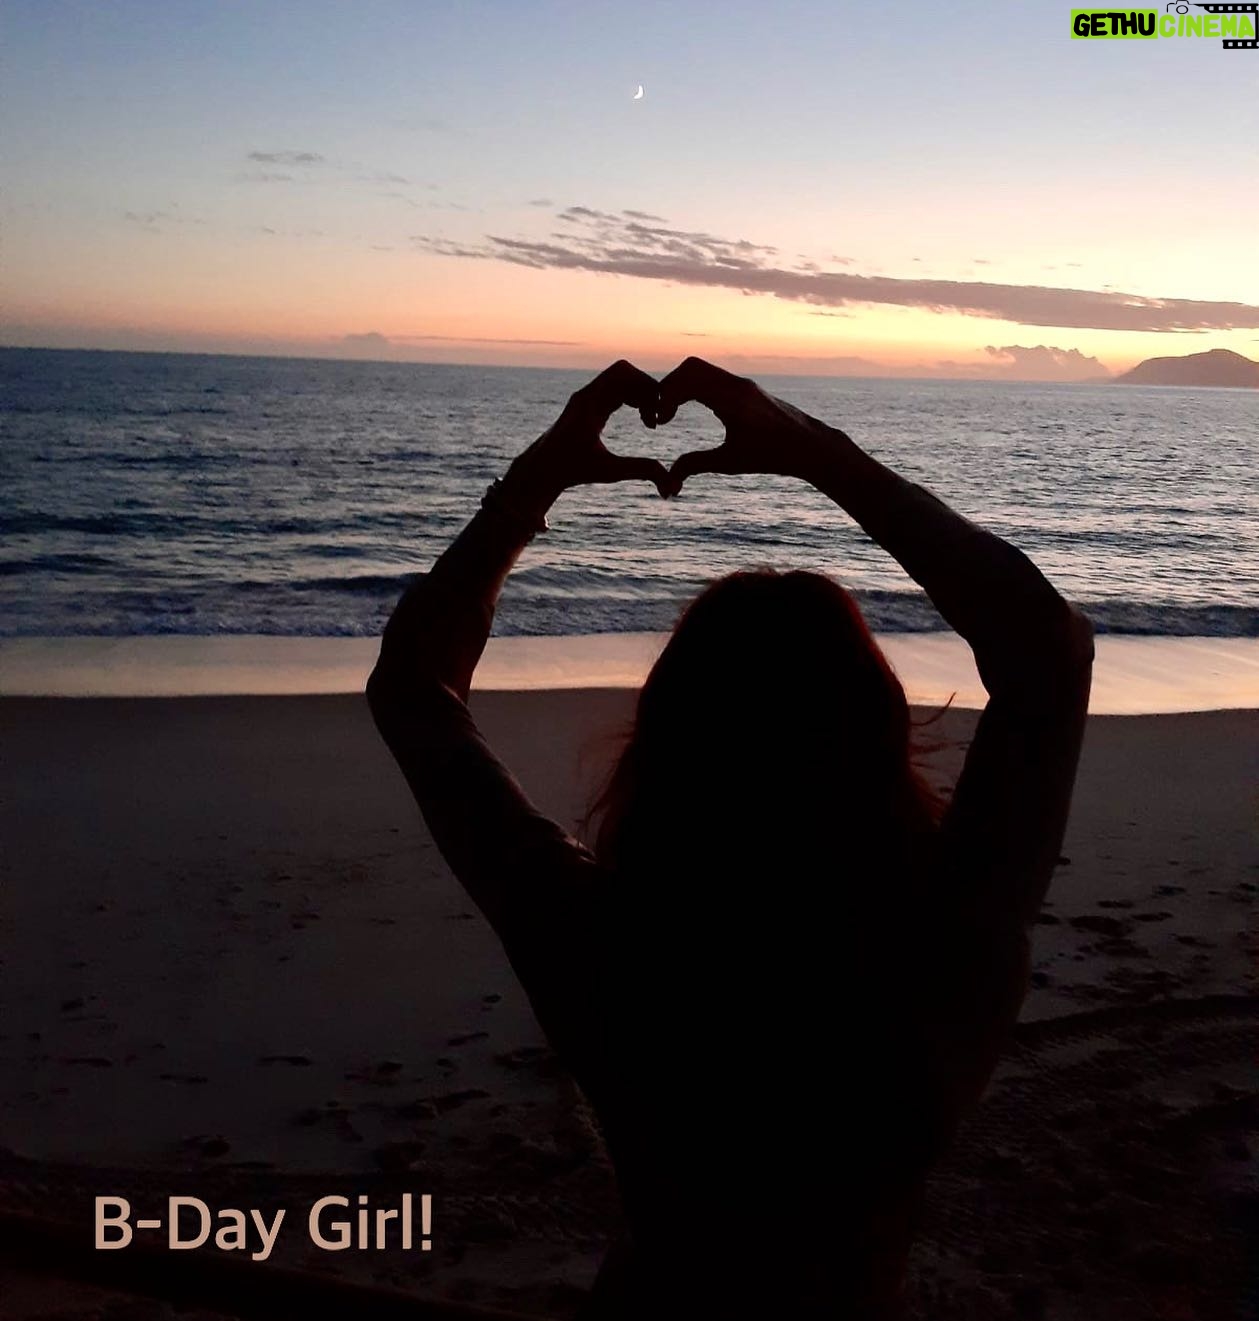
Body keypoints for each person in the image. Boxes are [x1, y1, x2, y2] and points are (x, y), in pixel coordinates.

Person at [366, 358, 1094, 1319]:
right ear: (874, 736)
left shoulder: (600, 943)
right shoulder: (944, 944)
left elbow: (414, 689)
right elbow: (1046, 650)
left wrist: (536, 481)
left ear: (664, 742)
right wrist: (815, 454)